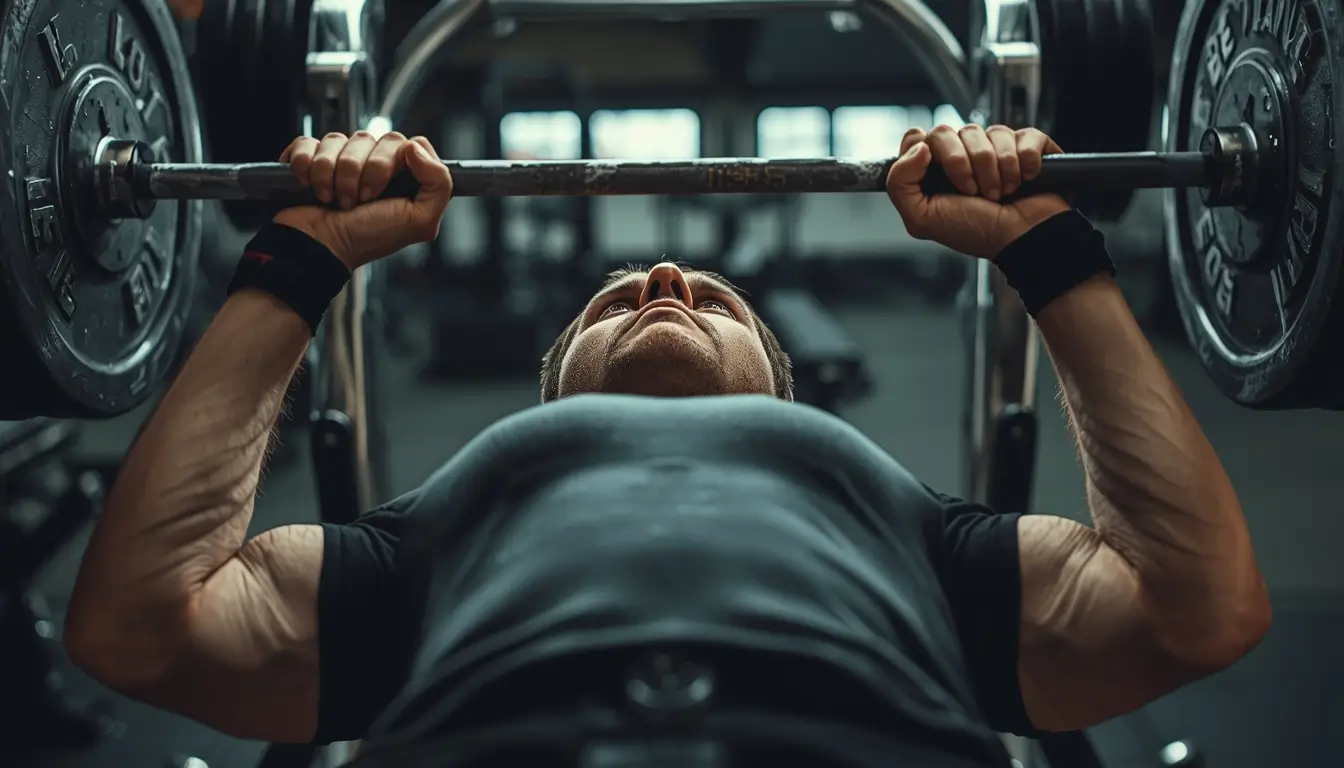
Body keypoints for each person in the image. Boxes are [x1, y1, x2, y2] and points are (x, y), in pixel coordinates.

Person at [64, 125, 1270, 767]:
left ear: (786, 405)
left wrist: (1046, 250)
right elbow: (139, 626)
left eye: (716, 301)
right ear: (548, 414)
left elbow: (1194, 606)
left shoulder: (904, 519)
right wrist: (299, 259)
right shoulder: (437, 528)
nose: (660, 275)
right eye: (609, 306)